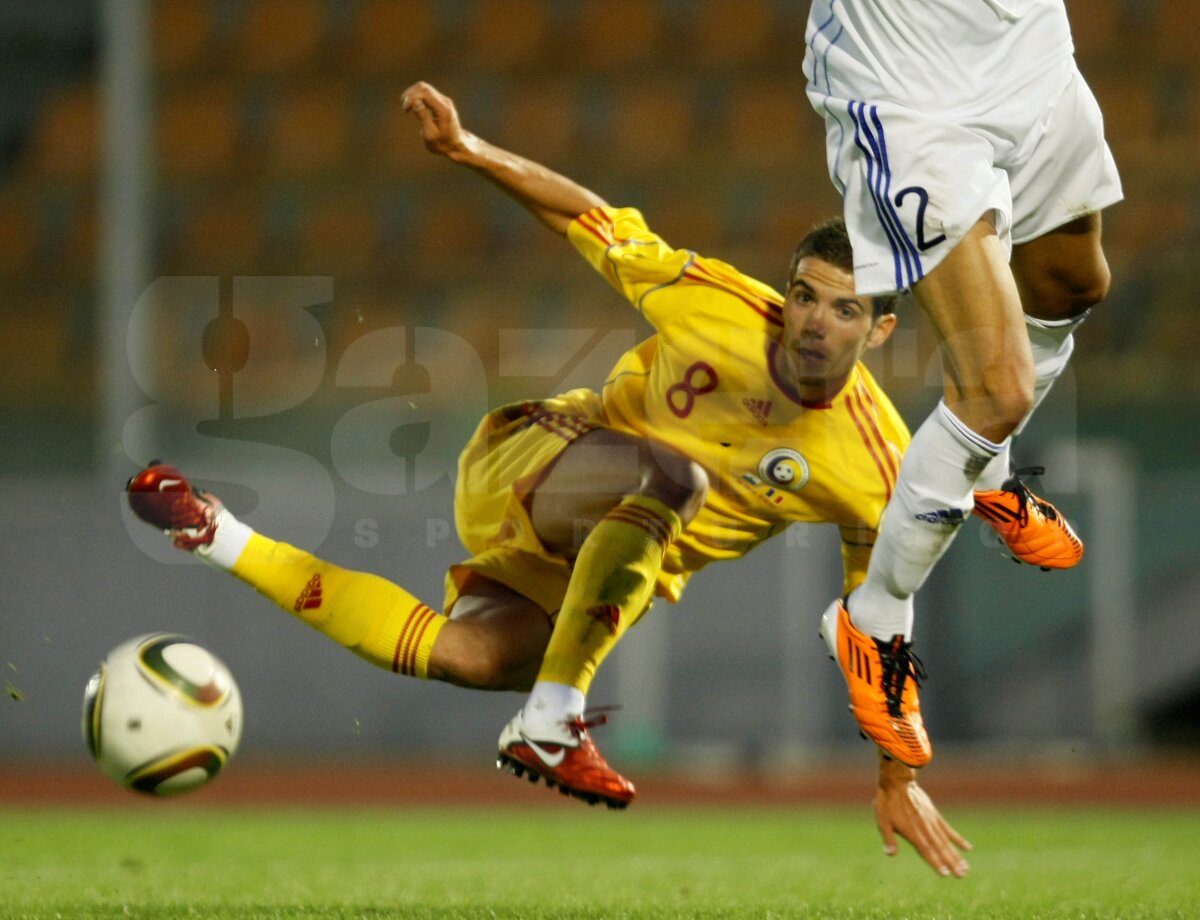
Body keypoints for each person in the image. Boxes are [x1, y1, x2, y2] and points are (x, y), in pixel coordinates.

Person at [128, 80, 1073, 879]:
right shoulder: (714, 302)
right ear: (785, 295)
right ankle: (555, 718)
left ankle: (215, 533)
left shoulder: (877, 465)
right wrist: (467, 150)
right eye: (805, 296)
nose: (816, 322)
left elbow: (877, 627)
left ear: (880, 331)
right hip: (538, 463)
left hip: (593, 573)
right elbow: (586, 216)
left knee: (469, 659)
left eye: (845, 309)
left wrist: (894, 776)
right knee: (674, 476)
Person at [802, 0, 1119, 766]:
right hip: (905, 70)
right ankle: (872, 622)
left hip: (1026, 44)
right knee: (997, 389)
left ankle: (988, 476)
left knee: (1071, 283)